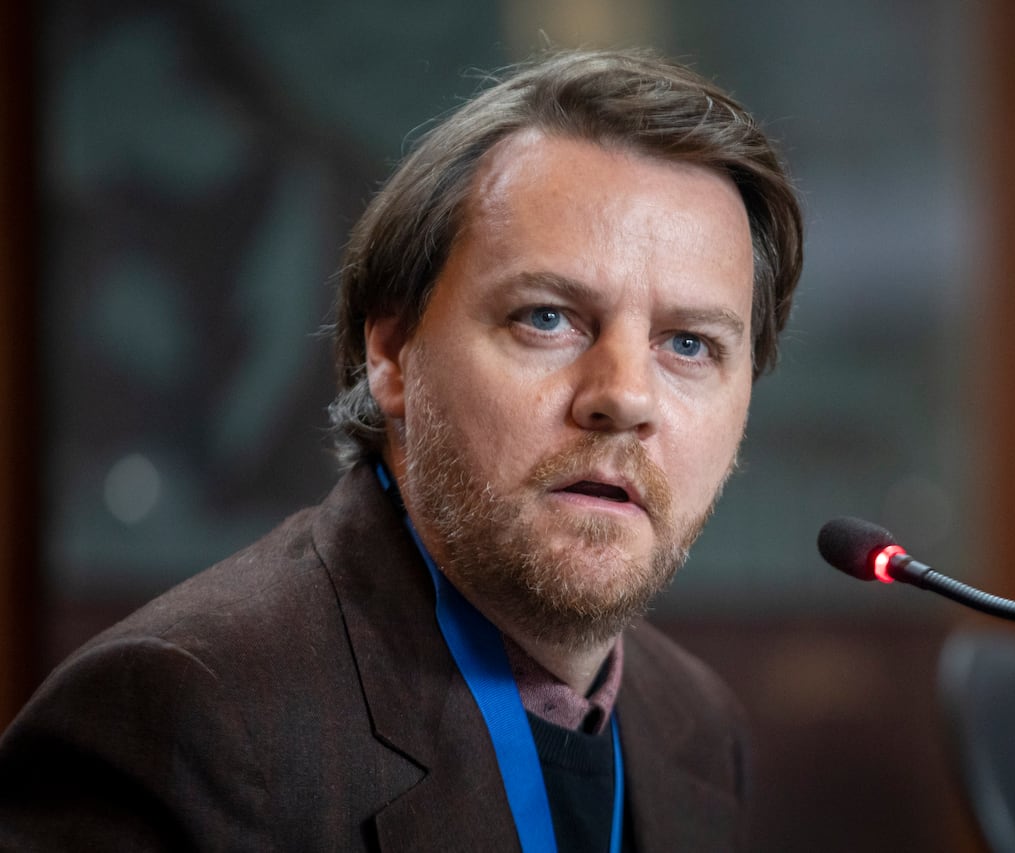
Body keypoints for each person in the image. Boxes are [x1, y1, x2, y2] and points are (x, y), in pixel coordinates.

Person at [0, 48, 803, 851]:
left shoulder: (698, 727)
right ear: (391, 353)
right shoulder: (185, 723)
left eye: (690, 344)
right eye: (548, 318)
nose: (624, 396)